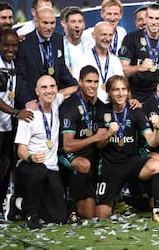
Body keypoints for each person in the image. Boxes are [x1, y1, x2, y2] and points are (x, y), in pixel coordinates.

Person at [95, 75, 159, 223]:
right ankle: (122, 199)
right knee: (101, 215)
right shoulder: (102, 112)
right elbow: (98, 145)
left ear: (128, 92)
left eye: (124, 89)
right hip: (110, 167)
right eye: (116, 90)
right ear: (109, 92)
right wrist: (109, 133)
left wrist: (156, 128)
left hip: (132, 163)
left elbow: (152, 142)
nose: (120, 93)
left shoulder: (135, 111)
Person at [10, 75, 76, 229]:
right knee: (38, 170)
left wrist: (82, 86)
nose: (49, 91)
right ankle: (31, 216)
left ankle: (19, 203)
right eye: (44, 87)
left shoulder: (56, 102)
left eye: (52, 86)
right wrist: (31, 157)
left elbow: (75, 88)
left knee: (59, 217)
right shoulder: (29, 114)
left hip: (51, 168)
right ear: (36, 91)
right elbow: (20, 150)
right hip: (29, 166)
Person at [58, 65, 107, 222]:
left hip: (88, 159)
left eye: (96, 82)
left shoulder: (96, 105)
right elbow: (67, 145)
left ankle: (73, 198)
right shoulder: (69, 106)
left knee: (90, 213)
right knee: (83, 164)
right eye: (88, 81)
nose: (92, 85)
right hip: (67, 156)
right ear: (80, 82)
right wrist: (94, 138)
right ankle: (70, 210)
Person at [0, 29, 33, 222]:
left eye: (14, 45)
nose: (10, 49)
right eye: (6, 45)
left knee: (5, 168)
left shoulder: (13, 63)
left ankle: (0, 206)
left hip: (8, 126)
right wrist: (14, 112)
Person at [15, 6, 78, 110]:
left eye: (52, 23)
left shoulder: (58, 39)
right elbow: (21, 77)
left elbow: (61, 68)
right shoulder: (24, 43)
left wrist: (76, 86)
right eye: (45, 23)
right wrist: (27, 102)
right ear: (36, 21)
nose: (49, 27)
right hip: (33, 103)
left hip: (53, 102)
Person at [119, 2, 159, 102]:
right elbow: (122, 70)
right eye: (151, 18)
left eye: (157, 18)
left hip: (154, 97)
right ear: (146, 18)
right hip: (133, 95)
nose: (154, 22)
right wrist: (139, 68)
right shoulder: (131, 38)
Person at [74, 21, 124, 103]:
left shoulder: (115, 60)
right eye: (103, 34)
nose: (107, 39)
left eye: (110, 35)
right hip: (90, 104)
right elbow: (77, 85)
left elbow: (122, 83)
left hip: (112, 105)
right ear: (93, 35)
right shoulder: (82, 58)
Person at [59, 6, 92, 73]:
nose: (77, 25)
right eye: (73, 22)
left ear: (84, 25)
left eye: (80, 21)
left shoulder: (91, 44)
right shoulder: (59, 45)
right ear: (66, 24)